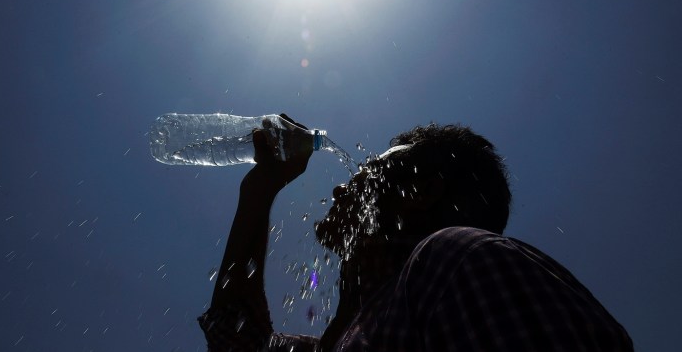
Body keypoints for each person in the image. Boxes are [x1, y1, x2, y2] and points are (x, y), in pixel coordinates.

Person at [199, 116, 633, 351]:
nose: (340, 187)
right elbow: (238, 339)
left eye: (370, 174)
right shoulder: (358, 330)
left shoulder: (459, 262)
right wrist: (260, 187)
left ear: (422, 193)